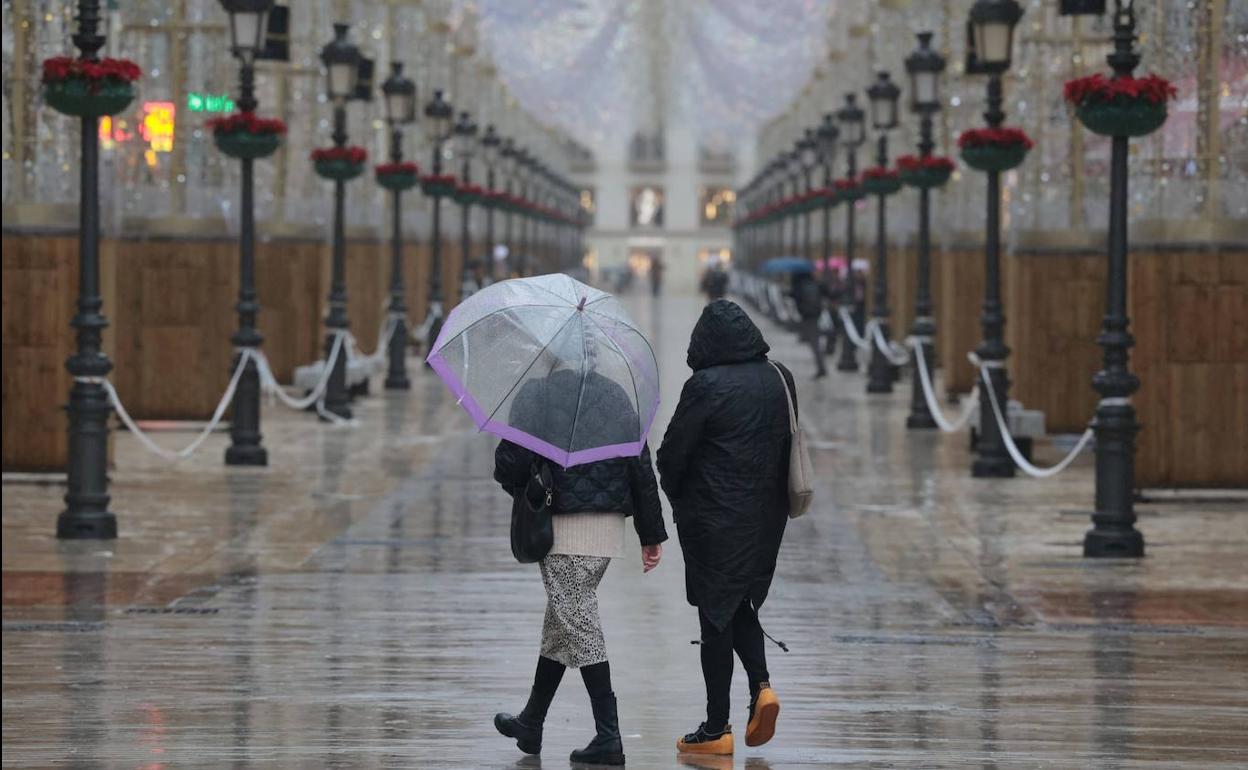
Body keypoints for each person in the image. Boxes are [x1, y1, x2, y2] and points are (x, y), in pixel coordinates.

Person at [493, 368, 668, 767]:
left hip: (562, 529)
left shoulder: (537, 396)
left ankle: (609, 735)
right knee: (562, 623)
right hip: (607, 531)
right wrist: (649, 533)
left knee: (579, 623)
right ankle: (531, 723)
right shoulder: (618, 397)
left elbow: (509, 466)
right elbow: (640, 465)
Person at [657, 299, 794, 757]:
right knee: (737, 603)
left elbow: (671, 456)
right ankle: (762, 688)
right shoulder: (780, 379)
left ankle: (717, 728)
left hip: (714, 520)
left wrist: (678, 498)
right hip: (766, 519)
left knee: (716, 616)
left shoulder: (706, 386)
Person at [789, 272, 828, 379]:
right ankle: (821, 367)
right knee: (814, 341)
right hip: (815, 314)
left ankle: (821, 368)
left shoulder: (800, 286)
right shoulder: (814, 284)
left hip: (807, 316)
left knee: (814, 343)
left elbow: (795, 297)